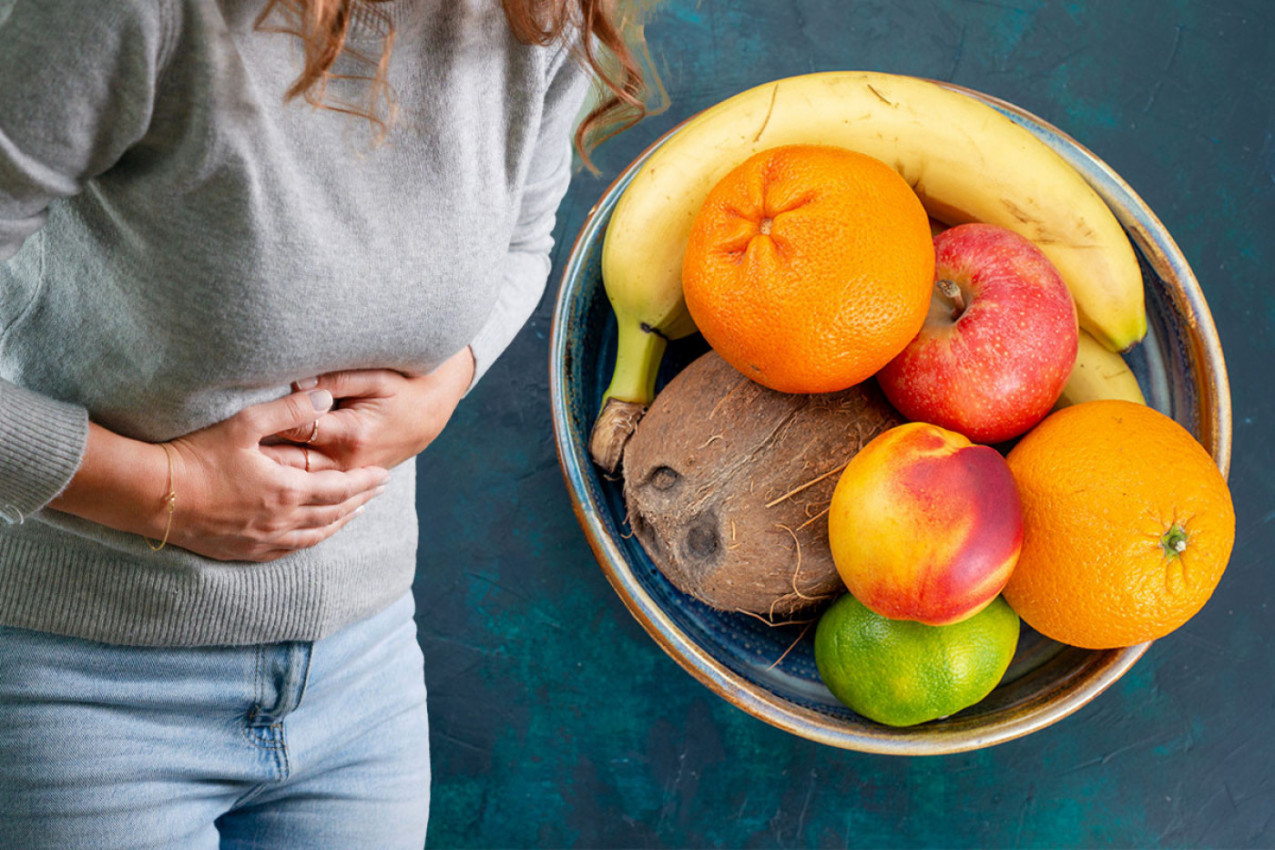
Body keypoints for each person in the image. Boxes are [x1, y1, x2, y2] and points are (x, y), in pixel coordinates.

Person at [0, 0, 651, 846]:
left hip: (362, 672)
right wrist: (163, 491)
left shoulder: (541, 14)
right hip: (80, 678)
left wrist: (444, 385)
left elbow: (524, 244)